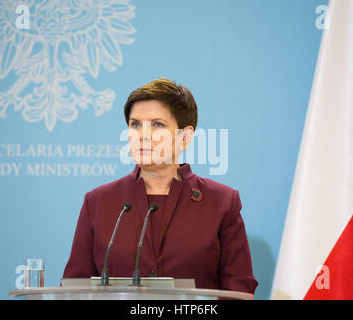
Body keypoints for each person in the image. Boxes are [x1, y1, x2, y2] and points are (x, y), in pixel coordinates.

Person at [62, 78, 258, 294]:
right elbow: (74, 289)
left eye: (157, 124)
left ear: (185, 137)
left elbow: (239, 290)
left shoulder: (221, 202)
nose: (143, 135)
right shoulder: (98, 202)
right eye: (135, 124)